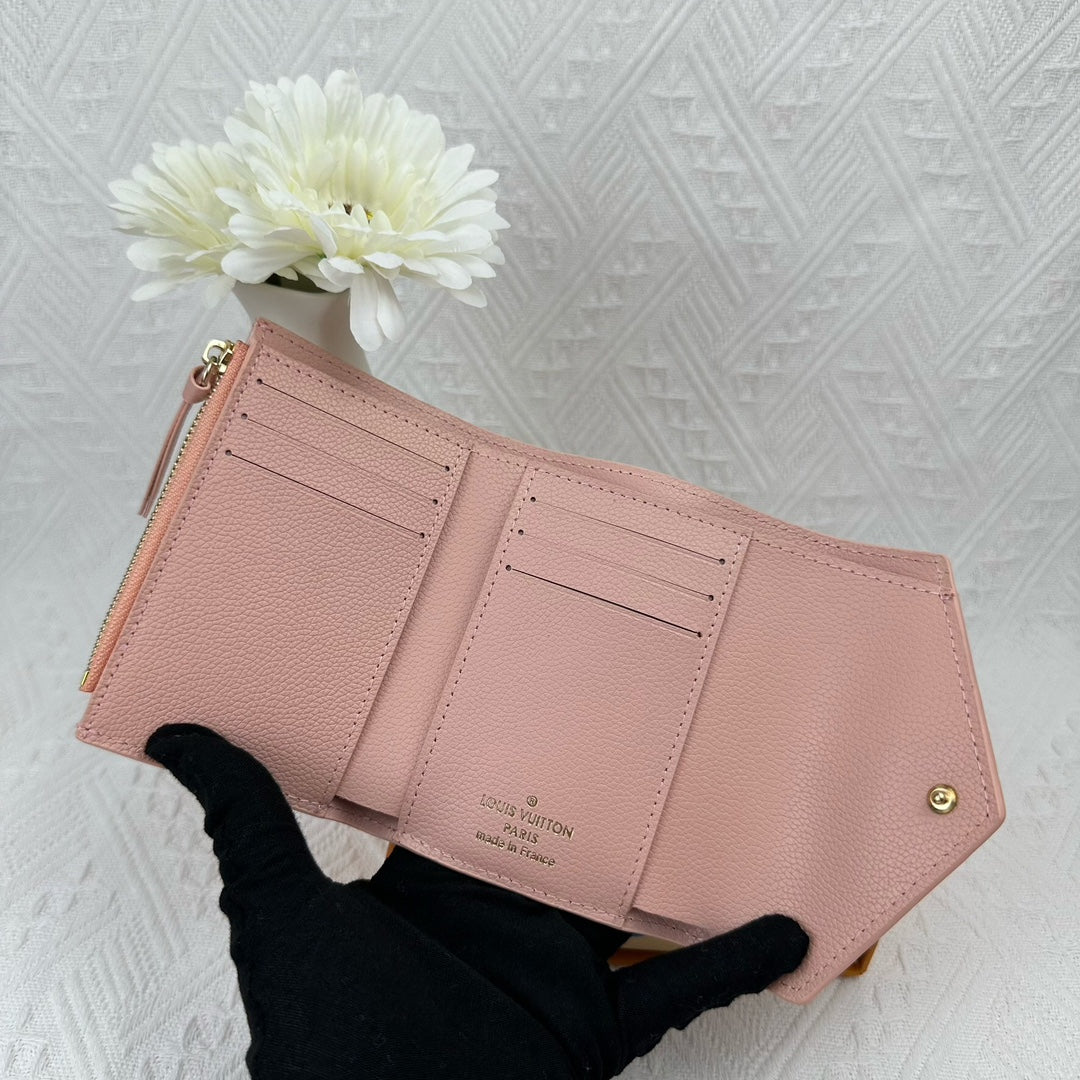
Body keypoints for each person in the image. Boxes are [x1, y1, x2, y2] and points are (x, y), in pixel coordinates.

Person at [145, 722, 810, 1079]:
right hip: (522, 819)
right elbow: (257, 847)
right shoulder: (302, 993)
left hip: (538, 826)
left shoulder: (305, 998)